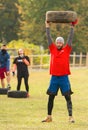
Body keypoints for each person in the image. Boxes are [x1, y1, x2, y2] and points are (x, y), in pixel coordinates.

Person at [42, 19, 78, 123]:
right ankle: (49, 117)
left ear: (62, 43)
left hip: (64, 78)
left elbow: (70, 38)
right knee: (51, 97)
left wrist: (72, 27)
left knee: (67, 97)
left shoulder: (67, 49)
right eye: (57, 42)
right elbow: (48, 37)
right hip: (54, 78)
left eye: (60, 42)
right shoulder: (52, 48)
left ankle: (70, 117)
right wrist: (47, 26)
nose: (58, 43)